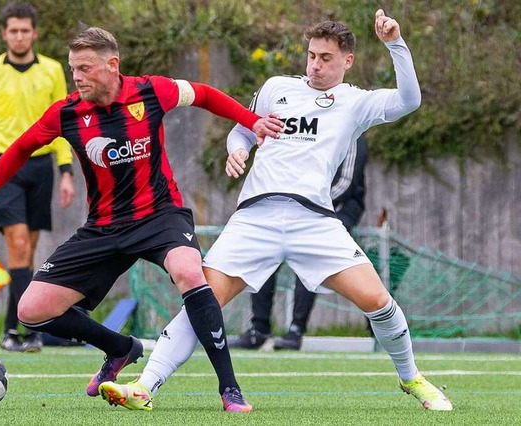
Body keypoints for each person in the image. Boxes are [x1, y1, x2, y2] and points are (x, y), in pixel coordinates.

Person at [99, 10, 453, 412]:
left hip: (315, 221)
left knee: (378, 301)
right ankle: (144, 386)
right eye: (312, 55)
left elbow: (410, 100)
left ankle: (412, 378)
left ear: (347, 61)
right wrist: (237, 149)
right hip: (255, 219)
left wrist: (395, 44)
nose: (315, 64)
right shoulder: (276, 88)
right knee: (202, 301)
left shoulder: (356, 102)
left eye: (326, 58)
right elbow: (243, 128)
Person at [0, 27, 281, 412]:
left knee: (191, 273)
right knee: (31, 310)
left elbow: (204, 94)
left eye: (86, 68)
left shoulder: (152, 91)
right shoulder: (68, 113)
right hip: (105, 227)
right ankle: (120, 347)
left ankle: (230, 389)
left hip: (161, 216)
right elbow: (20, 149)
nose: (77, 76)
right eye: (74, 68)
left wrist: (251, 120)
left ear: (113, 65)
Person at [0, 2, 75, 353]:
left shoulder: (53, 70)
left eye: (26, 30)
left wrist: (66, 170)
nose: (20, 36)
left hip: (41, 167)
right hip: (0, 165)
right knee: (19, 244)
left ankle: (18, 329)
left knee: (27, 252)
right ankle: (22, 328)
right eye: (14, 30)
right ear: (4, 34)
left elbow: (64, 121)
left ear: (35, 33)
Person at [231, 135, 368, 351]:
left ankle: (296, 330)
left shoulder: (352, 134)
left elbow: (346, 184)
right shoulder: (308, 127)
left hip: (336, 209)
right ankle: (259, 329)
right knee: (266, 251)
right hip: (295, 206)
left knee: (308, 254)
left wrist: (310, 202)